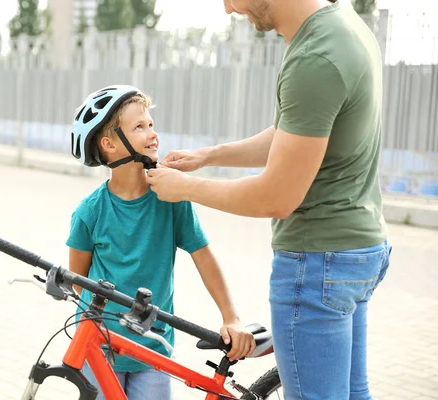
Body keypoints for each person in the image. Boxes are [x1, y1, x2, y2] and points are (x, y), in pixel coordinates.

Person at [145, 1, 392, 399]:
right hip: (357, 250)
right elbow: (296, 134)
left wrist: (187, 188)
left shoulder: (315, 57)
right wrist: (210, 156)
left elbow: (276, 197)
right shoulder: (343, 26)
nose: (227, 9)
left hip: (318, 262)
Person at [66, 84, 256, 400]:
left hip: (152, 349)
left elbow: (204, 257)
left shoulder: (172, 198)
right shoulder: (91, 211)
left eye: (151, 124)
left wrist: (230, 316)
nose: (152, 133)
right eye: (139, 126)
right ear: (109, 144)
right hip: (100, 347)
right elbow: (78, 281)